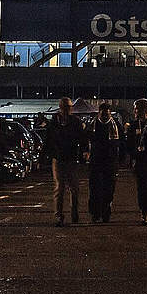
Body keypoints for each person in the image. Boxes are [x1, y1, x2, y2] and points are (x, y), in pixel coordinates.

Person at [45, 97, 87, 226]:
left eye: (68, 107)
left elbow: (82, 138)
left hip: (71, 158)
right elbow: (48, 139)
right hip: (58, 158)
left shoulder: (75, 122)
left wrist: (84, 151)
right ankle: (59, 216)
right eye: (65, 107)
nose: (67, 109)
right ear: (60, 107)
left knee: (74, 188)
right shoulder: (54, 122)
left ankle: (74, 212)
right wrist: (47, 155)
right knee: (60, 187)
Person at [88, 103, 121, 223]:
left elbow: (121, 143)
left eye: (107, 114)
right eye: (103, 114)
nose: (105, 116)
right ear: (99, 113)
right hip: (96, 161)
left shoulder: (115, 125)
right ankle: (95, 213)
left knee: (109, 189)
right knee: (95, 189)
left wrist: (120, 159)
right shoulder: (92, 125)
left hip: (110, 162)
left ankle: (106, 212)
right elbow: (86, 141)